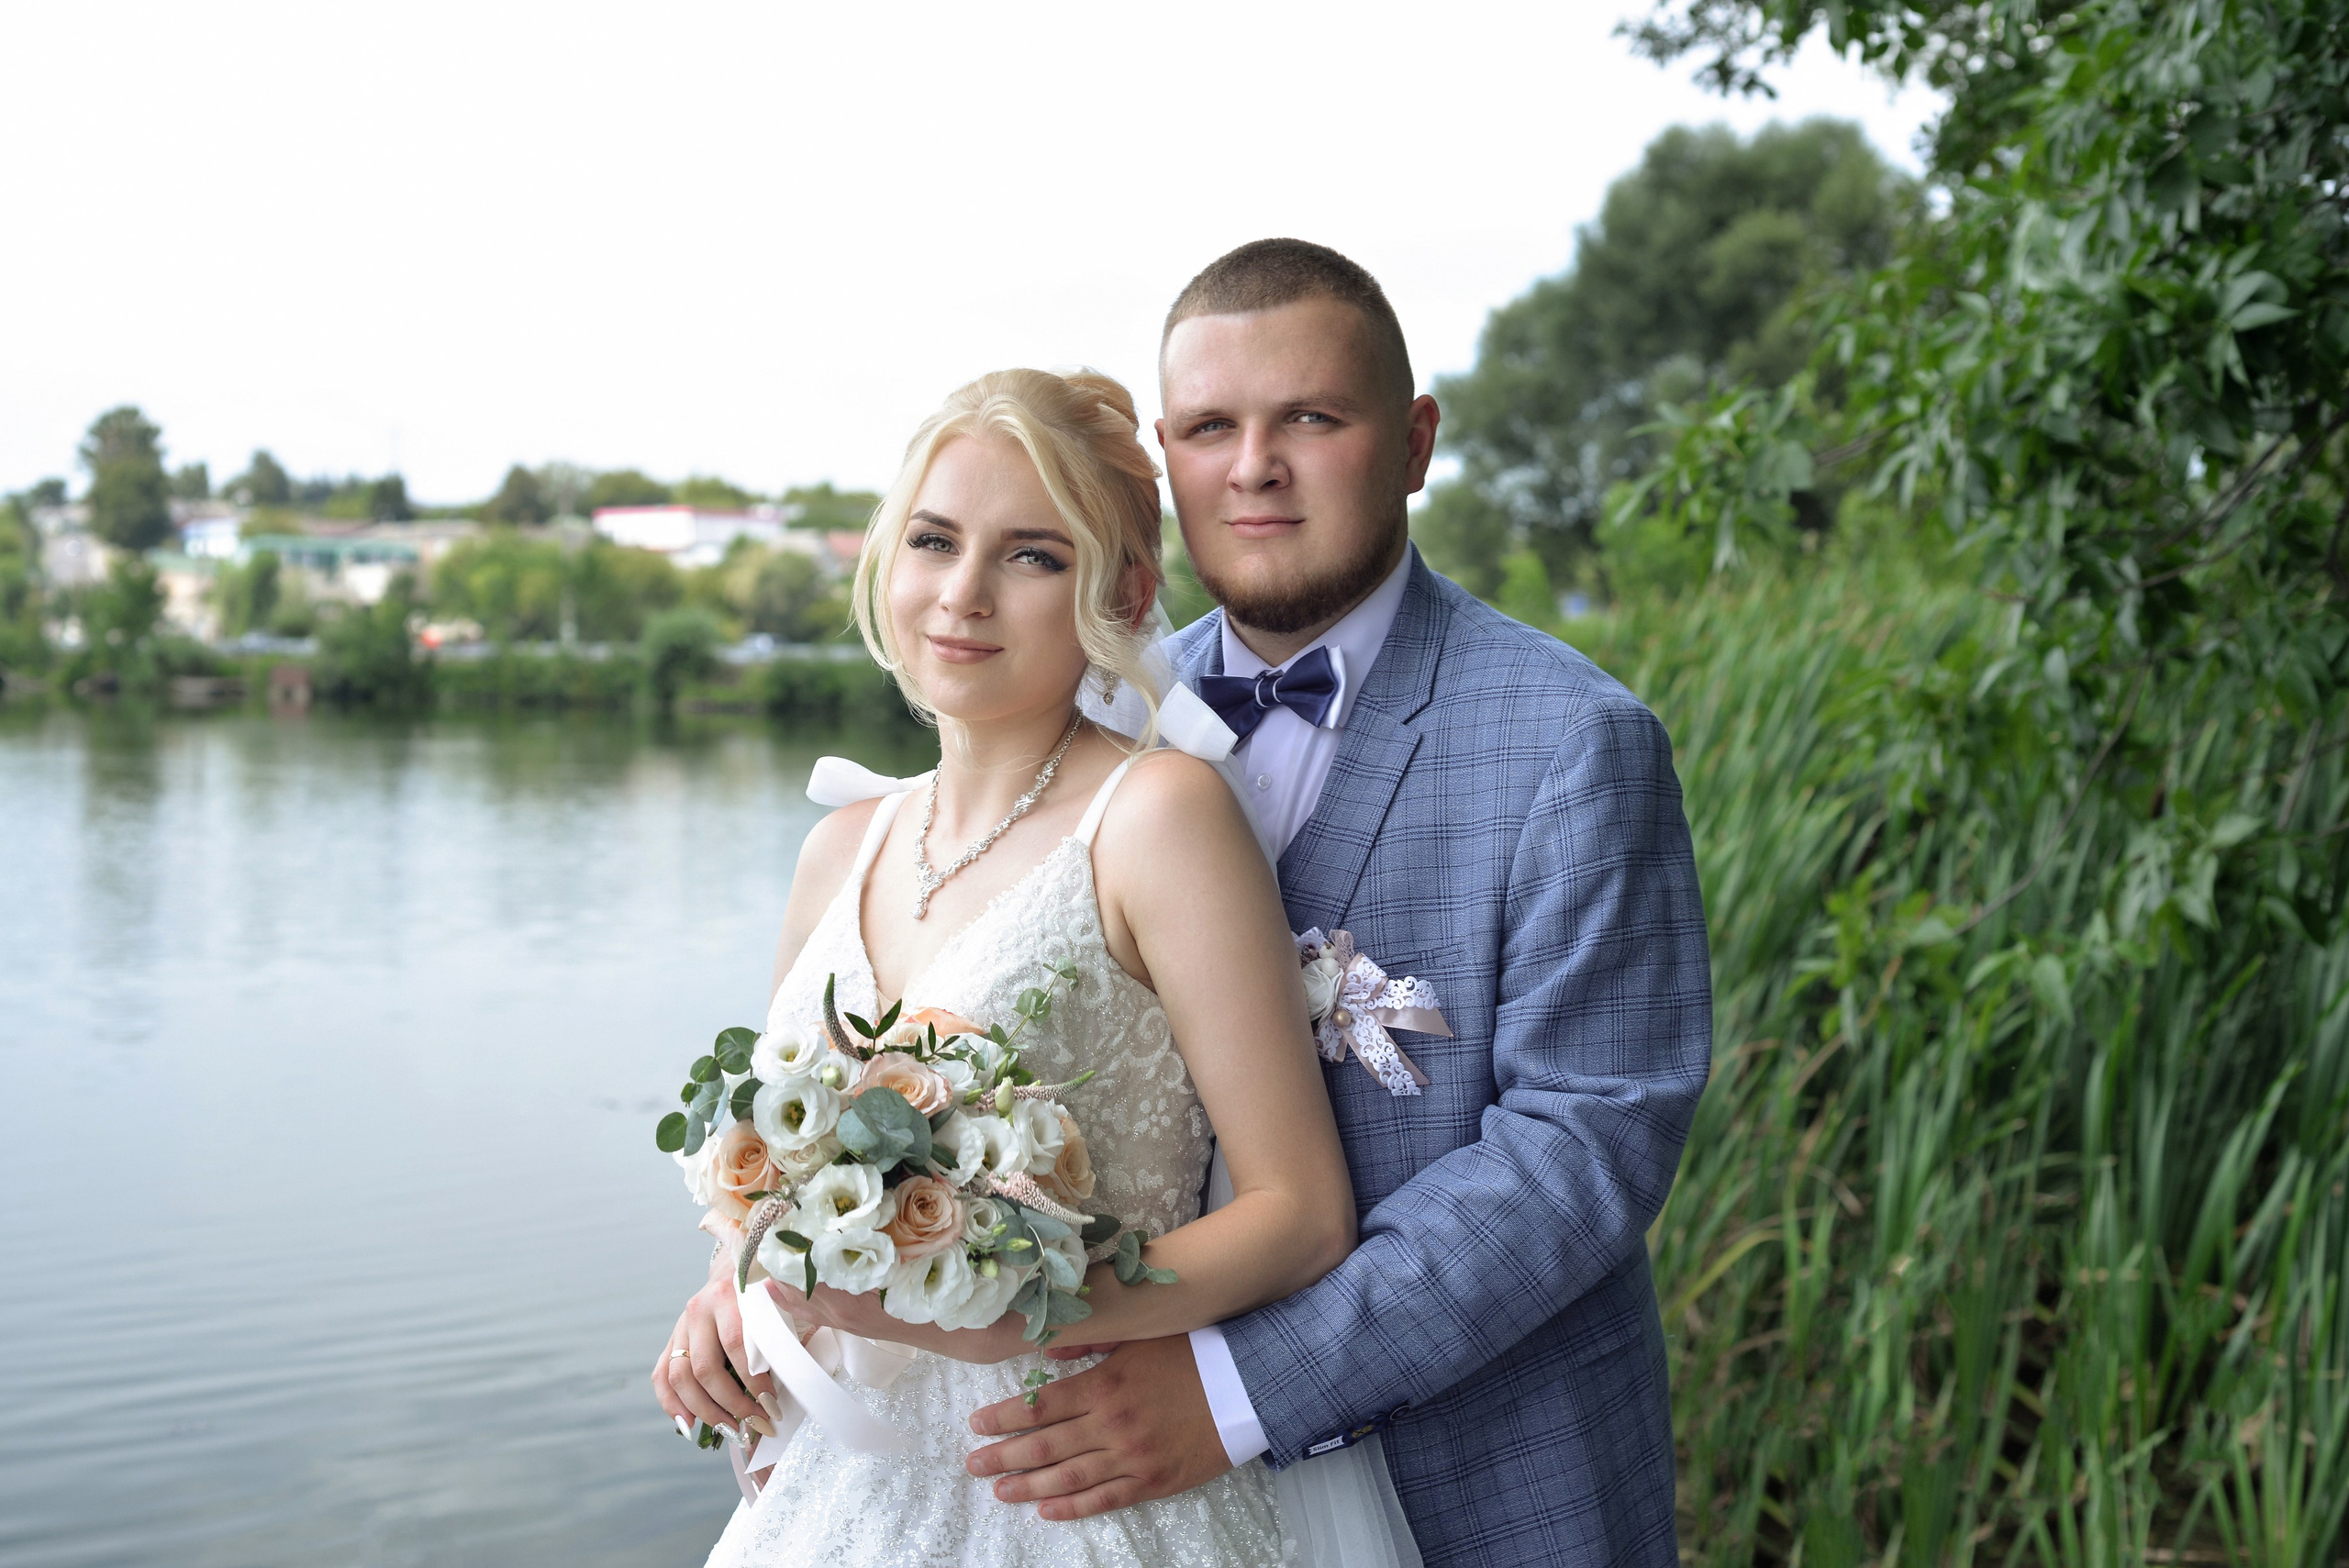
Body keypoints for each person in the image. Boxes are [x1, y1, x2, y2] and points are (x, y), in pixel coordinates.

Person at [959, 240, 1714, 1566]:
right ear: (1165, 457)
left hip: (1488, 1480)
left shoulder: (1575, 740)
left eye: (1311, 415)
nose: (1254, 465)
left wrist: (1239, 1392)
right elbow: (948, 1020)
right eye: (1209, 427)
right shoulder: (1091, 715)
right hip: (1127, 1497)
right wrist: (779, 1272)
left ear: (1414, 441)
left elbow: (1583, 1150)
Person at [652, 366, 1367, 1566]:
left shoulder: (1160, 818)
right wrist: (731, 1292)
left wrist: (1005, 1311)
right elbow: (786, 1177)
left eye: (1031, 556)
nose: (964, 595)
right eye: (936, 540)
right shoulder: (841, 848)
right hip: (840, 1492)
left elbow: (1300, 1215)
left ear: (1125, 588)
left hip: (1070, 1482)